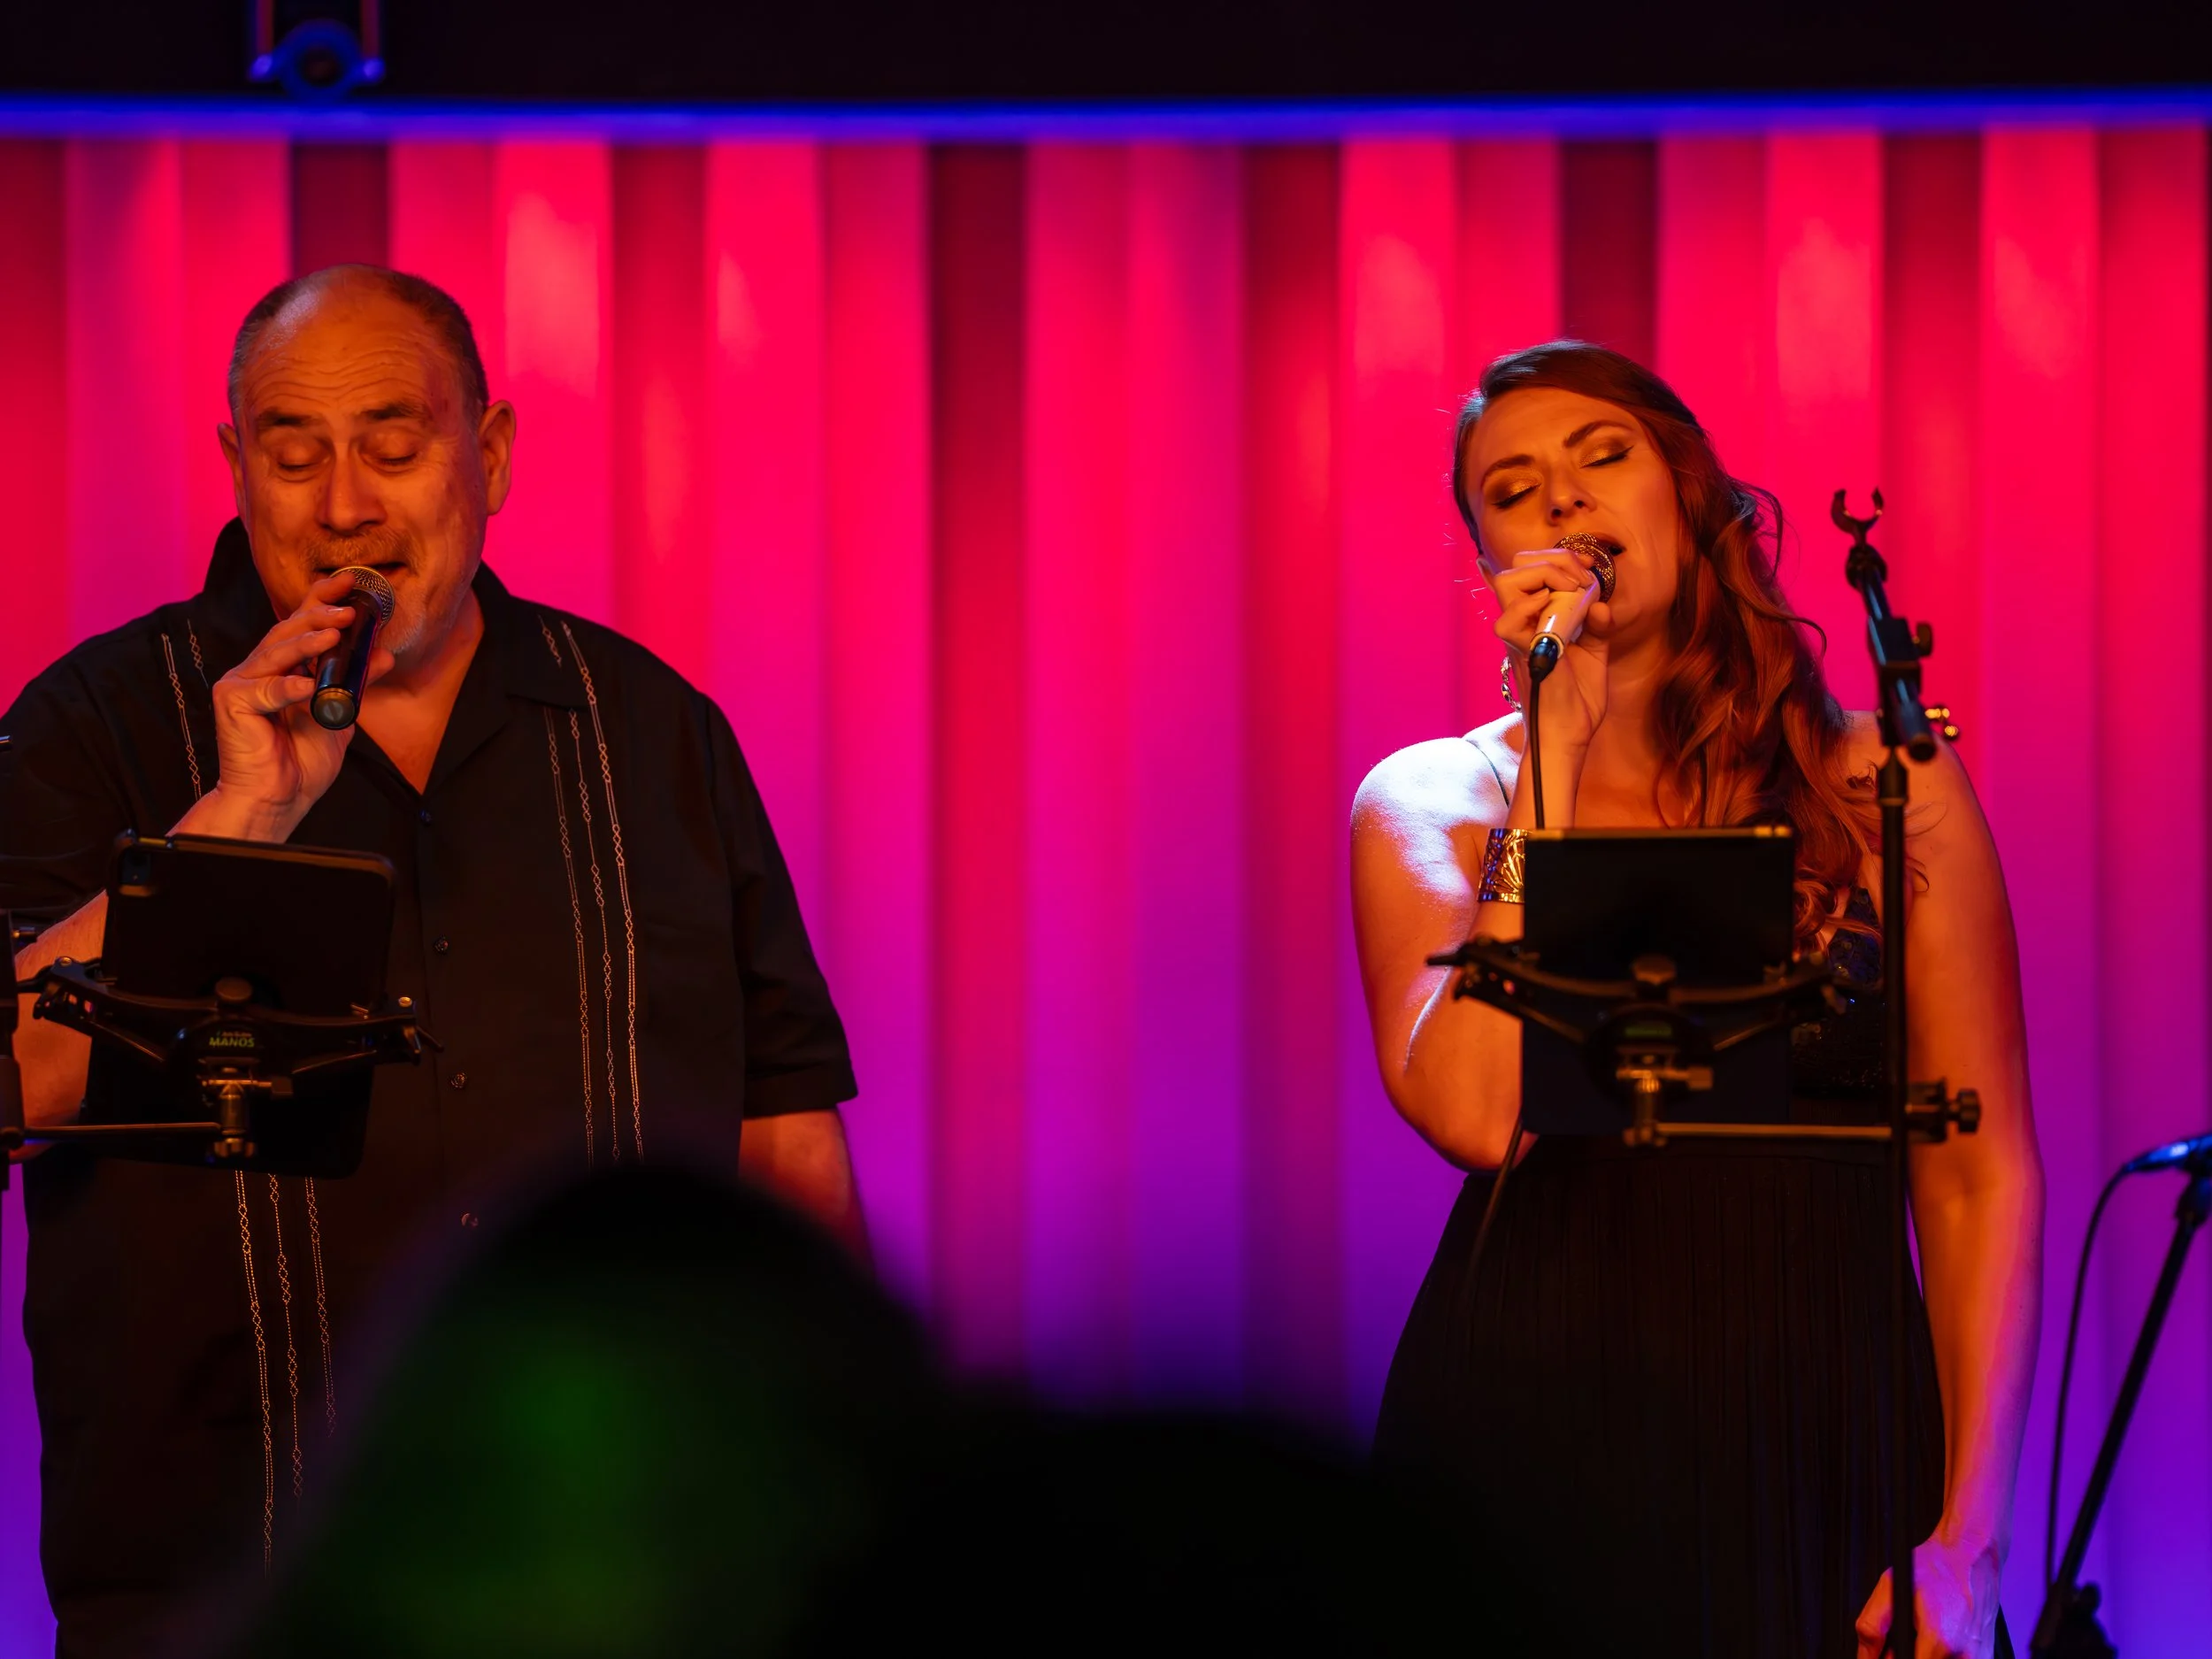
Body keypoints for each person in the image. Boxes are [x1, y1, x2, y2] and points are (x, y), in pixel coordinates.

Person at [0, 265, 864, 1657]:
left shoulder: (650, 732)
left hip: (625, 1567)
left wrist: (840, 1484)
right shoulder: (95, 722)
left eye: (394, 448)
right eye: (295, 453)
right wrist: (235, 822)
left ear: (494, 454)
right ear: (237, 466)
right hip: (220, 1575)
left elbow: (782, 1138)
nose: (346, 503)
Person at [1351, 342, 2043, 1659]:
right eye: (1512, 487)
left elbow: (1977, 1171)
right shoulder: (1438, 798)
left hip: (1823, 1416)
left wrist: (1970, 1537)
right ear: (1487, 555)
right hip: (1532, 1423)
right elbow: (1479, 1113)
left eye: (1601, 457)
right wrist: (1554, 747)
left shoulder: (1882, 781)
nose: (1560, 500)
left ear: (1689, 493)